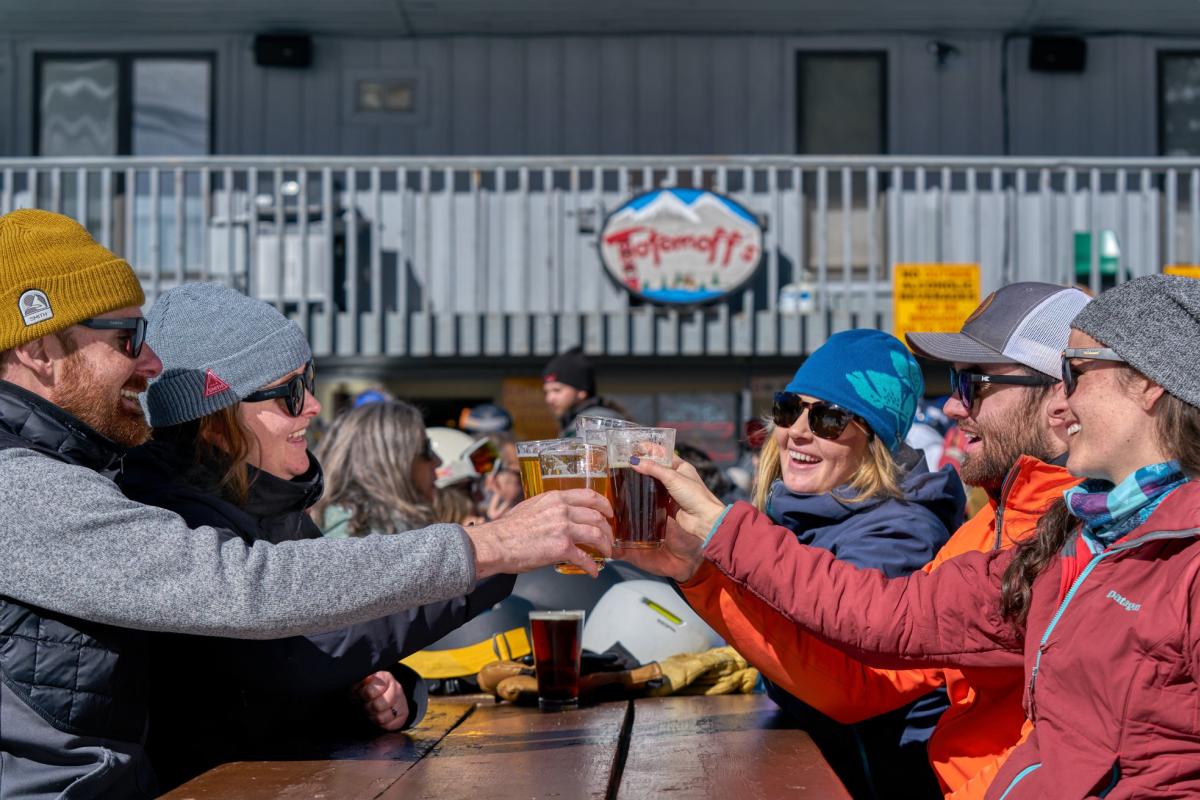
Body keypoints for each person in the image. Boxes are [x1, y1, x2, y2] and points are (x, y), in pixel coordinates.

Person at [0, 209, 613, 798]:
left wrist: (377, 686)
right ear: (38, 349)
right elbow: (249, 598)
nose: (151, 362)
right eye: (128, 337)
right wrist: (492, 548)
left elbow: (305, 638)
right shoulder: (21, 486)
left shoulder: (93, 474)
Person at [620, 274, 1200, 800]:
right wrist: (703, 563)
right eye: (787, 410)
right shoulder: (1079, 532)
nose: (951, 405)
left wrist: (717, 541)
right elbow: (883, 632)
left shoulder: (1110, 536)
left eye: (974, 383)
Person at [114, 284, 518, 788]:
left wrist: (375, 691)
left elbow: (327, 651)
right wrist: (496, 556)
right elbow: (295, 656)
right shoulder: (173, 517)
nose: (311, 407)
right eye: (287, 392)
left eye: (308, 380)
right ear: (216, 425)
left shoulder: (272, 504)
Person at [739, 329, 967, 798]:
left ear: (875, 440)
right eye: (789, 409)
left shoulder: (900, 533)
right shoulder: (801, 516)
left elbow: (828, 679)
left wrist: (699, 559)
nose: (798, 431)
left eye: (828, 418)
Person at [314, 399, 441, 536]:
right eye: (426, 448)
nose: (438, 461)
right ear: (391, 459)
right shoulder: (354, 528)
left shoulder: (381, 525)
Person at [542, 346, 627, 436]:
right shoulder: (576, 423)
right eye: (546, 392)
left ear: (581, 391)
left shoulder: (595, 423)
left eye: (557, 390)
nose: (549, 399)